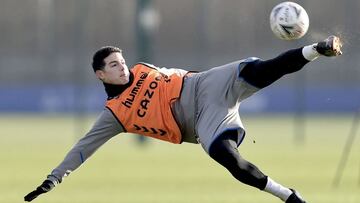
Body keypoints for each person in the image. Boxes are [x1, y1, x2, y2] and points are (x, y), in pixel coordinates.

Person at [24, 35, 342, 203]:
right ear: (100, 74)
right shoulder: (115, 115)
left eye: (121, 61)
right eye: (113, 65)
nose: (122, 67)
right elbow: (84, 146)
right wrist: (55, 177)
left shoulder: (143, 68)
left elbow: (174, 77)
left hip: (203, 84)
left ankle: (317, 48)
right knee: (227, 157)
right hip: (200, 119)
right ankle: (288, 195)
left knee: (261, 69)